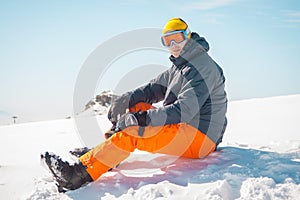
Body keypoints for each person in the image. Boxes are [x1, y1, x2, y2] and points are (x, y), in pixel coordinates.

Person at [41, 17, 228, 192]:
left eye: (177, 39)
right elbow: (151, 89)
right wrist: (125, 100)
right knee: (136, 105)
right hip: (185, 128)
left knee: (133, 131)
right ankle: (106, 155)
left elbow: (184, 110)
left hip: (201, 137)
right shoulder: (179, 67)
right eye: (167, 41)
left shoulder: (203, 67)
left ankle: (74, 177)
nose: (173, 45)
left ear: (188, 36)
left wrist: (139, 119)